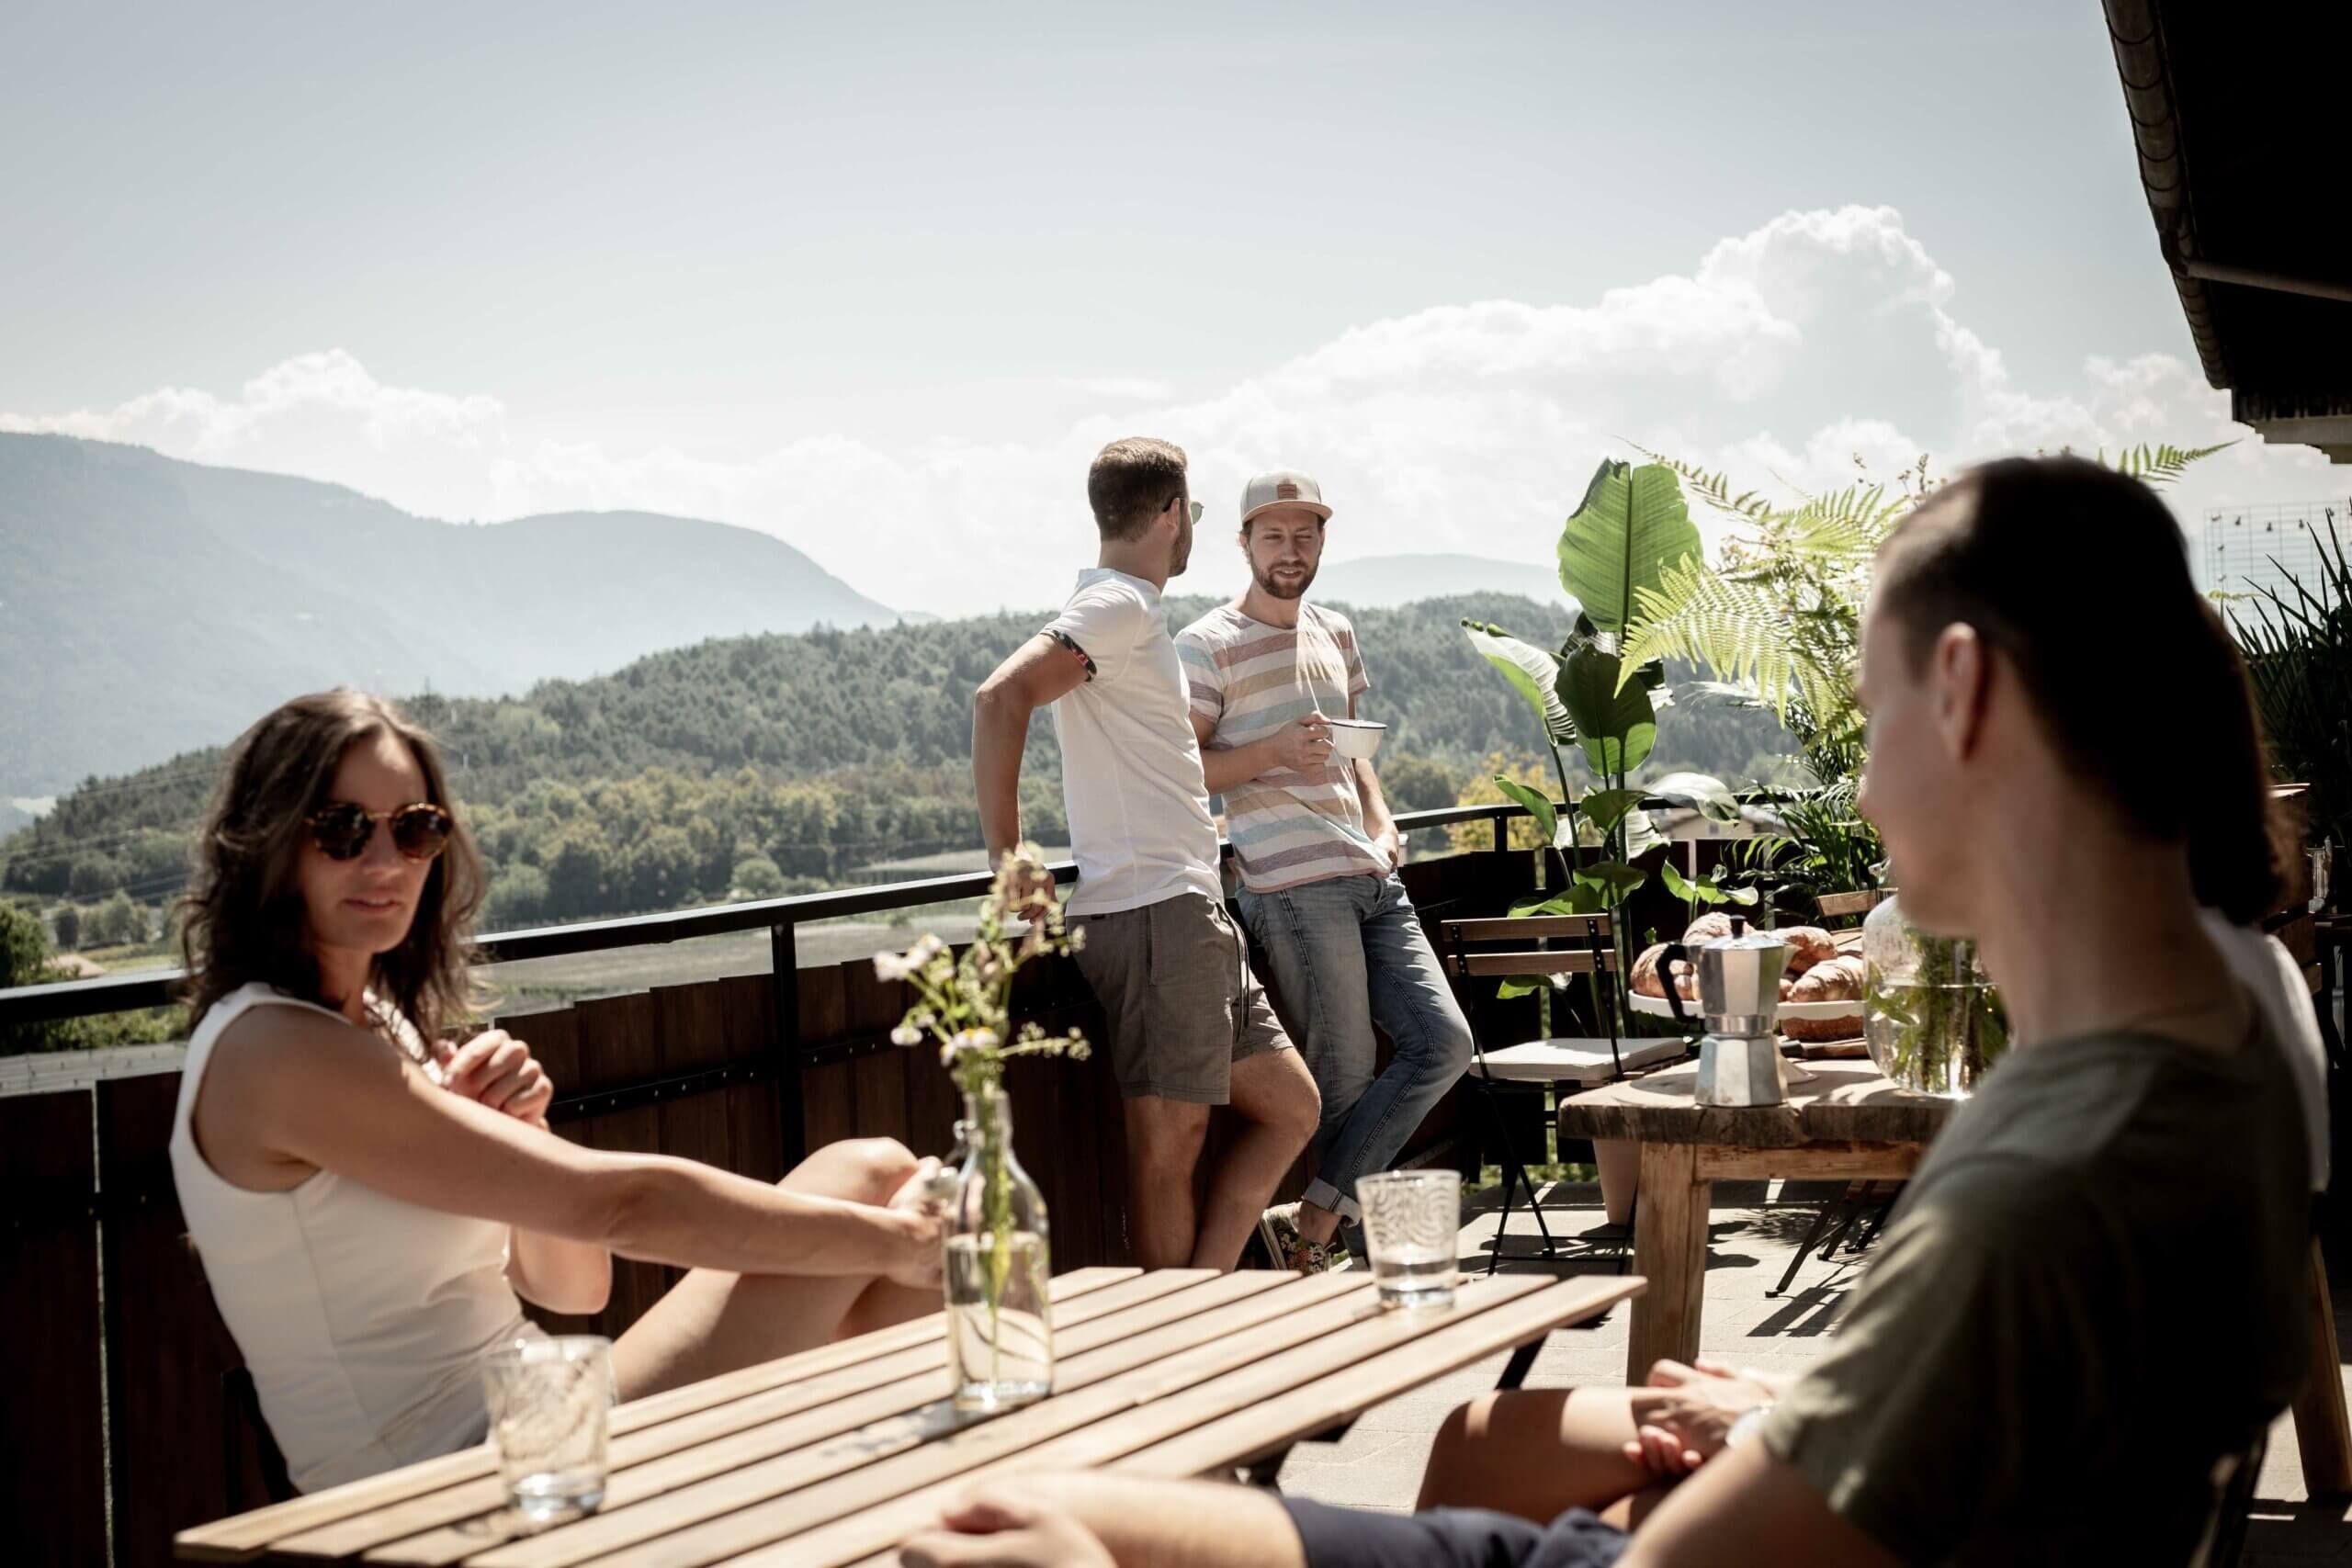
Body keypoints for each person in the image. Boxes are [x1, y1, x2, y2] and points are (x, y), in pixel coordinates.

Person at [901, 454, 2314, 1565]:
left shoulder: (2044, 1188)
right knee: (1474, 1433)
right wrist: (1791, 1413)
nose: (1871, 792)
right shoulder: (2218, 1042)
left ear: (1962, 695)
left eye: (1877, 720)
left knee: (1042, 1526)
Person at [168, 691, 944, 1495]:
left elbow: (576, 1287)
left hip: (537, 1411)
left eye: (414, 828)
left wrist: (521, 1128)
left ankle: (871, 1514)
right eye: (341, 829)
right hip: (453, 1484)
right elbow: (625, 1206)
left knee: (879, 1173)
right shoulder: (274, 1049)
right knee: (890, 1204)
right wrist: (901, 1244)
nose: (385, 862)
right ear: (269, 841)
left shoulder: (379, 1026)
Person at [971, 437, 1319, 1270]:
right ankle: (1175, 1346)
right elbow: (1000, 696)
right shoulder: (1118, 608)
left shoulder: (1128, 613)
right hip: (1153, 912)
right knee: (1170, 1146)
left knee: (1292, 1106)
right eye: (1191, 512)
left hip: (1192, 913)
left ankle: (1205, 1293)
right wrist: (1010, 857)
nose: (1190, 526)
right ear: (1169, 516)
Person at [1174, 469, 1473, 1271]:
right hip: (1292, 886)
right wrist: (1272, 753)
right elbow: (1188, 768)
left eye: (1304, 534)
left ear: (1321, 543)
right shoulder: (1206, 644)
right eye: (1273, 535)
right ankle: (1337, 1258)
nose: (1290, 550)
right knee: (1342, 1077)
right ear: (1243, 543)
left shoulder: (1335, 631)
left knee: (1446, 1042)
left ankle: (1312, 1222)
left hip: (1373, 875)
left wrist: (1381, 820)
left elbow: (1353, 752)